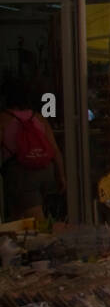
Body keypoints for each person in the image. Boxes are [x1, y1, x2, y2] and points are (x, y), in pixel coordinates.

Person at [0, 84, 66, 222]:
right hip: (45, 170)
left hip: (22, 173)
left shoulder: (4, 118)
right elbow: (55, 150)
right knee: (18, 218)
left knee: (37, 221)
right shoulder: (38, 117)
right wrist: (61, 176)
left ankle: (46, 243)